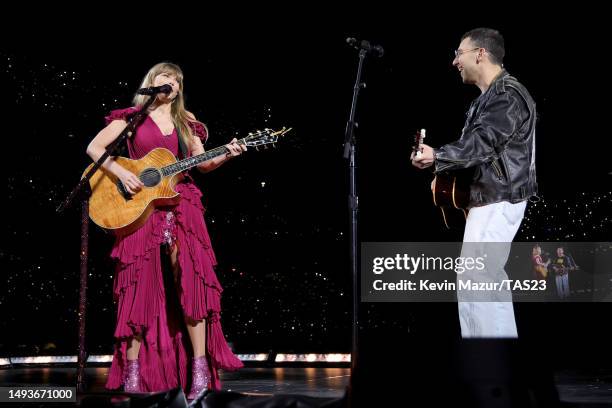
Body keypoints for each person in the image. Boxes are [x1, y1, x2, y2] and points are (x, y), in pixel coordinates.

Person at [86, 62, 245, 398]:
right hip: (139, 207)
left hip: (181, 203)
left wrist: (227, 154)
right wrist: (121, 172)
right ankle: (133, 375)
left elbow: (202, 164)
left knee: (192, 282)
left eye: (176, 79)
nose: (170, 81)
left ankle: (199, 372)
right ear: (152, 82)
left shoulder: (187, 123)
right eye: (165, 76)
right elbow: (95, 149)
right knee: (137, 290)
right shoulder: (130, 117)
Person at [412, 28, 538, 338]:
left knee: (477, 277)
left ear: (479, 54)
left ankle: (486, 364)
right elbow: (480, 149)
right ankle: (498, 363)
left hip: (499, 198)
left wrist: (439, 156)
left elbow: (485, 143)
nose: (454, 61)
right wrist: (442, 166)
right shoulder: (489, 98)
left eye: (459, 53)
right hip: (491, 198)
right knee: (486, 279)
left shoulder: (507, 95)